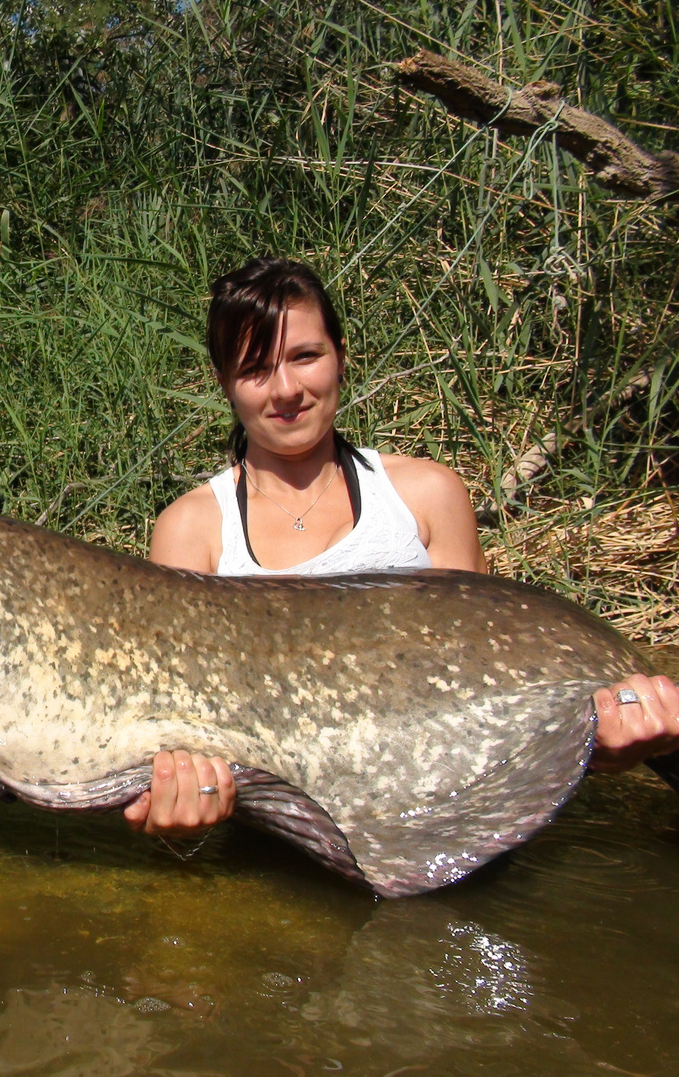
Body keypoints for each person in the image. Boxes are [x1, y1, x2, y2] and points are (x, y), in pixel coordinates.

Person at [126, 256, 679, 842]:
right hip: (287, 844)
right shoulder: (192, 529)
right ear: (225, 383)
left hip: (455, 825)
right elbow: (182, 736)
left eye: (306, 356)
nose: (287, 389)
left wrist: (597, 747)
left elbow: (495, 704)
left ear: (342, 355)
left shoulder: (428, 494)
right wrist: (185, 811)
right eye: (256, 369)